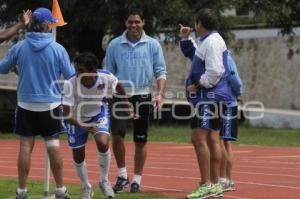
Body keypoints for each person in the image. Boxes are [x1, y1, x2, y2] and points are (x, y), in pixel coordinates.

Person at [0, 8, 74, 199]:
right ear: (48, 25)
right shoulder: (58, 49)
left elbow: (3, 68)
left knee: (25, 147)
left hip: (26, 104)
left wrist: (19, 69)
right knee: (53, 146)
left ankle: (22, 191)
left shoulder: (19, 47)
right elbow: (71, 76)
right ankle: (60, 190)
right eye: (52, 22)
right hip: (50, 105)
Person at [105, 9, 167, 193]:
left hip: (143, 95)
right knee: (117, 135)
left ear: (143, 23)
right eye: (130, 22)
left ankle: (137, 180)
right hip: (120, 95)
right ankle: (122, 175)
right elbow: (108, 73)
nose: (133, 25)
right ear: (126, 23)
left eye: (137, 22)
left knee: (141, 140)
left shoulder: (153, 44)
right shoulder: (114, 45)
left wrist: (161, 93)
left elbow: (160, 70)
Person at [179, 8, 237, 199]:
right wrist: (186, 39)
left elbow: (215, 71)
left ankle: (206, 184)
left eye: (195, 23)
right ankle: (215, 184)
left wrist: (198, 85)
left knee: (198, 138)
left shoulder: (211, 41)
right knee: (212, 139)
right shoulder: (211, 40)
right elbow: (195, 54)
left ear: (199, 23)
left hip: (209, 97)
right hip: (213, 97)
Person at [63, 52, 134, 198]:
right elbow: (67, 115)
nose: (77, 74)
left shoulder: (105, 76)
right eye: (76, 70)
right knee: (78, 153)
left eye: (81, 71)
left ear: (92, 70)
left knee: (102, 141)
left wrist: (127, 104)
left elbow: (118, 86)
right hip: (76, 118)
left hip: (99, 113)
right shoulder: (70, 83)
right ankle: (86, 187)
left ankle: (104, 181)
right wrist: (83, 125)